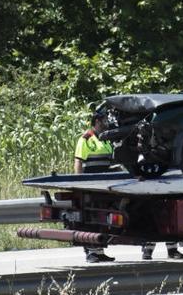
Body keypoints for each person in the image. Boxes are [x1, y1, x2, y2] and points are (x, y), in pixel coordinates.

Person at [74, 111, 117, 263]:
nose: (107, 122)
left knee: (102, 219)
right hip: (90, 185)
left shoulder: (105, 139)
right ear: (98, 121)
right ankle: (90, 252)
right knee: (90, 218)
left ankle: (99, 251)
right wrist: (79, 184)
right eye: (105, 120)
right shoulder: (86, 138)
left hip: (104, 186)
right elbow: (78, 161)